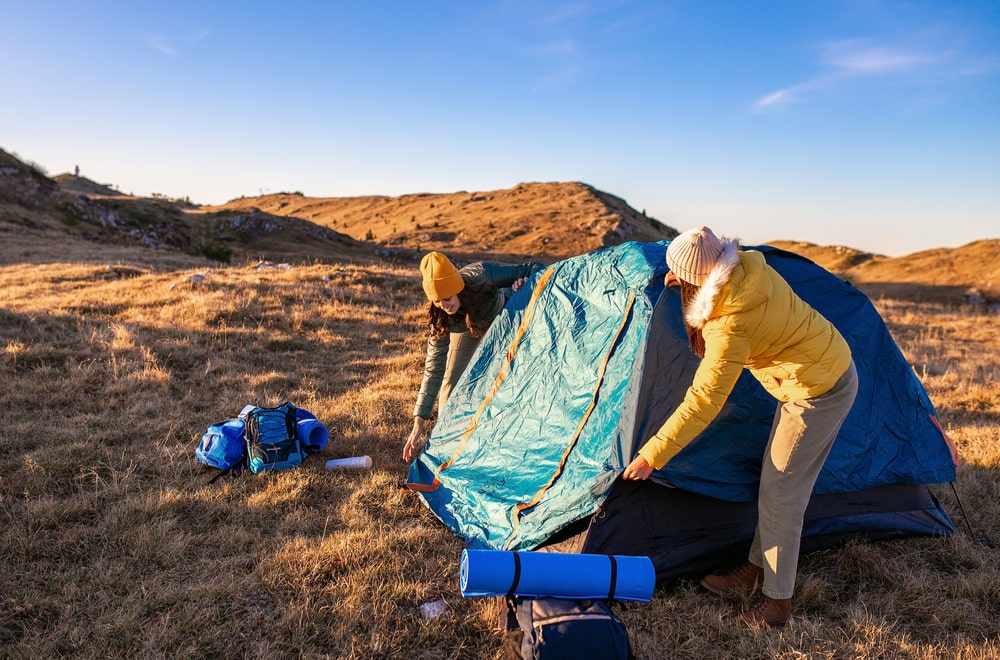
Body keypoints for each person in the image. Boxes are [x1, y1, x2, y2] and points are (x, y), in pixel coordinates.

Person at [622, 226, 858, 628]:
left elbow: (704, 401)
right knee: (774, 482)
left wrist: (653, 454)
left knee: (783, 495)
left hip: (818, 389)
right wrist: (686, 276)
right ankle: (756, 570)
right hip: (820, 365)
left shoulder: (728, 325)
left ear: (696, 281)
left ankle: (776, 605)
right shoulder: (749, 266)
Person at [402, 251, 545, 463]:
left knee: (507, 372)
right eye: (438, 300)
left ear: (457, 289)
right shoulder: (440, 316)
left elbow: (534, 267)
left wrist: (527, 282)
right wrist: (419, 423)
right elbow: (434, 368)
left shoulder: (483, 275)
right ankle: (445, 444)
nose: (444, 305)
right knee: (450, 381)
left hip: (502, 316)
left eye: (447, 298)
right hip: (468, 329)